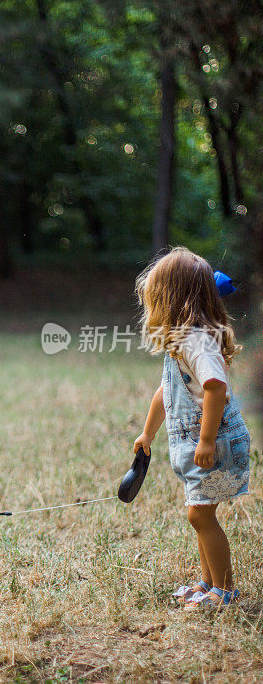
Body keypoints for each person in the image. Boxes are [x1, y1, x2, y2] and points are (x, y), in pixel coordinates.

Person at [133, 247, 250, 609]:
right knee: (199, 512)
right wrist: (147, 434)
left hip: (216, 444)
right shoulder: (180, 340)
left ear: (170, 298)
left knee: (199, 514)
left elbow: (216, 387)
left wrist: (206, 440)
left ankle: (224, 590)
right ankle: (207, 582)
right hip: (201, 445)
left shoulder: (197, 341)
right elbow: (165, 392)